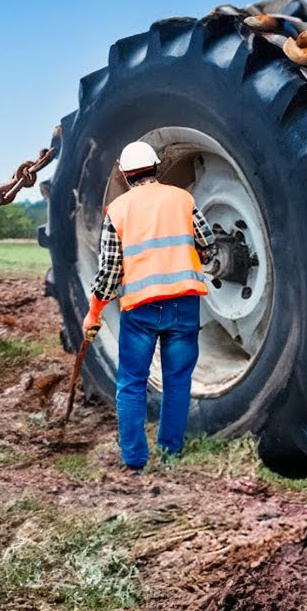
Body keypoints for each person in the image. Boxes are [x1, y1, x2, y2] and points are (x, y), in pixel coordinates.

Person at [83, 141, 215, 473]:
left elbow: (110, 272)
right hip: (184, 305)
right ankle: (170, 452)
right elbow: (208, 243)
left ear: (126, 175)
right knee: (177, 381)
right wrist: (199, 256)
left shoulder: (118, 210)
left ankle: (134, 460)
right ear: (156, 167)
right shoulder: (182, 199)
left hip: (141, 310)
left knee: (131, 383)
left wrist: (94, 313)